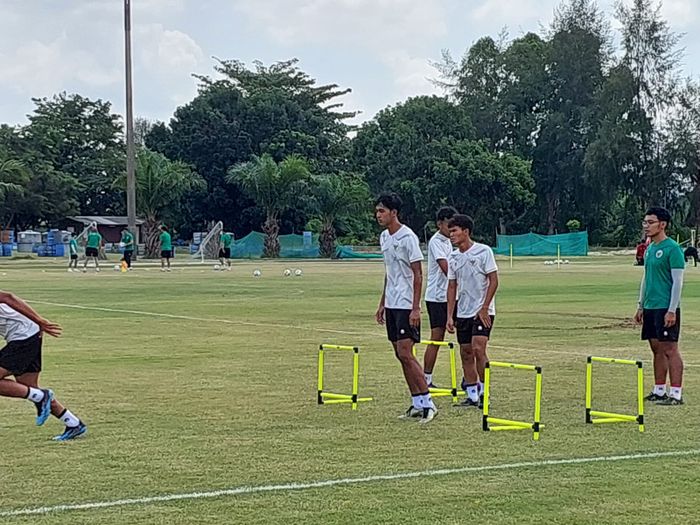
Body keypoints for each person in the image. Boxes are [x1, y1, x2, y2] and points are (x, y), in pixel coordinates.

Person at [375, 193, 437, 423]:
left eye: (382, 211)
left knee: (406, 353)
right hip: (392, 303)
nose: (378, 215)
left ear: (394, 212)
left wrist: (415, 308)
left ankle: (428, 403)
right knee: (399, 355)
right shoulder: (384, 237)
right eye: (377, 211)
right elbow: (389, 273)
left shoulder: (408, 237)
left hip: (405, 304)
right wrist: (382, 303)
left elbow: (418, 274)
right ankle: (417, 402)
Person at [0, 290, 87, 441]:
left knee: (35, 394)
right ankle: (73, 423)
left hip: (24, 335)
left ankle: (42, 396)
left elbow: (8, 297)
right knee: (28, 387)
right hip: (26, 335)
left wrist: (39, 320)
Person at [633, 207, 686, 405]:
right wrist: (640, 305)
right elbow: (646, 278)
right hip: (650, 306)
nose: (646, 226)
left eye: (650, 222)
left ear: (662, 224)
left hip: (666, 306)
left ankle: (676, 394)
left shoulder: (673, 249)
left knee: (670, 349)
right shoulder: (649, 249)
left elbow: (678, 282)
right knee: (656, 348)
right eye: (644, 222)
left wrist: (672, 309)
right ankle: (659, 389)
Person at [446, 214, 499, 409]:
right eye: (450, 231)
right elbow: (452, 286)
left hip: (482, 310)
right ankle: (472, 394)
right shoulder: (453, 256)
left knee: (478, 348)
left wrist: (485, 307)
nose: (451, 235)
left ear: (466, 232)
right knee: (466, 352)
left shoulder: (483, 251)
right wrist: (450, 315)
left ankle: (485, 391)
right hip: (463, 312)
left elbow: (493, 280)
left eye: (454, 231)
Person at [423, 206, 458, 388]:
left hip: (452, 295)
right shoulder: (436, 241)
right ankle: (426, 379)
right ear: (439, 224)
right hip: (437, 297)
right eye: (448, 224)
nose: (451, 228)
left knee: (467, 337)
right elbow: (446, 268)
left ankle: (469, 379)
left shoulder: (449, 242)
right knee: (437, 337)